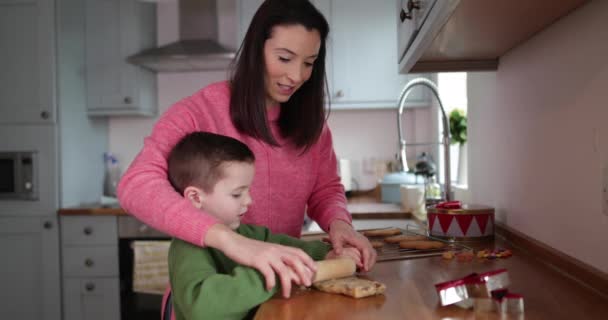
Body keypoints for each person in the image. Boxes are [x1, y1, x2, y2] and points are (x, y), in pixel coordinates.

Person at [117, 0, 376, 297]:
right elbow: (136, 185)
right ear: (256, 50)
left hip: (279, 290)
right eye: (284, 58)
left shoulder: (312, 125)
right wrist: (230, 240)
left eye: (309, 63)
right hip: (213, 297)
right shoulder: (198, 111)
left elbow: (325, 188)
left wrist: (339, 224)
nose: (296, 76)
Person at [164, 131, 361, 320]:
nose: (249, 201)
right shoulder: (186, 247)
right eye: (237, 194)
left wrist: (326, 253)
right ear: (195, 197)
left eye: (248, 190)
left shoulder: (245, 233)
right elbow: (202, 309)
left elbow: (285, 246)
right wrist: (273, 272)